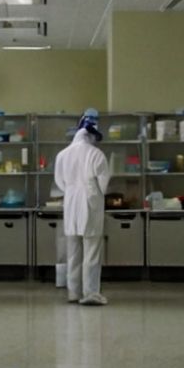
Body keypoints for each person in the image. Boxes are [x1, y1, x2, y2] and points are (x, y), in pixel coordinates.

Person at [54, 109, 111, 306]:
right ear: (92, 135)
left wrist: (72, 191)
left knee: (73, 251)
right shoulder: (97, 154)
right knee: (91, 251)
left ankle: (73, 292)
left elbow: (60, 182)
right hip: (91, 203)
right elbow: (104, 185)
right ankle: (90, 293)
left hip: (71, 203)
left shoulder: (62, 155)